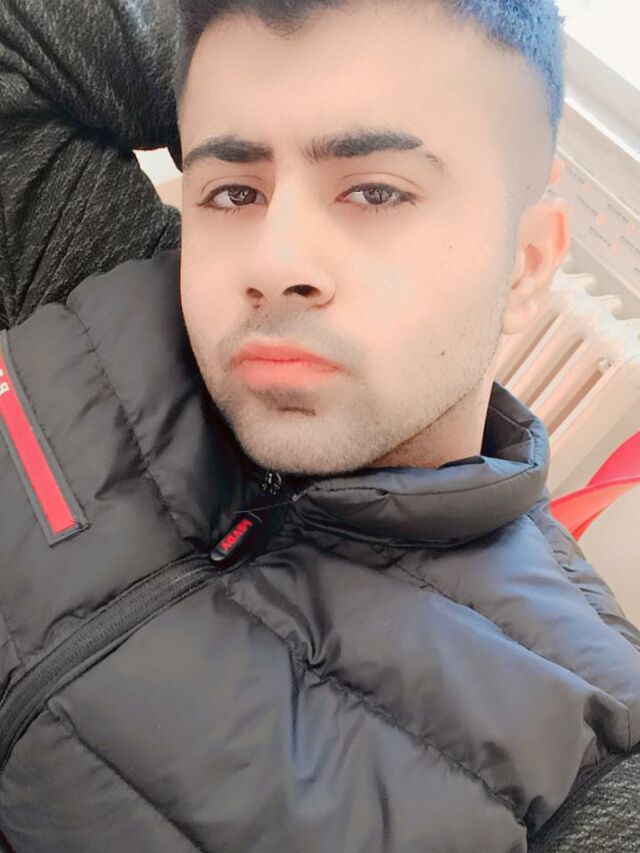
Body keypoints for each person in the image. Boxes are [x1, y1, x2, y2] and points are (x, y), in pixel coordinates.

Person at [0, 0, 639, 850]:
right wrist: (206, 66)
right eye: (235, 190)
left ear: (524, 266)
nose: (275, 262)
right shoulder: (104, 282)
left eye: (375, 190)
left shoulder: (588, 759)